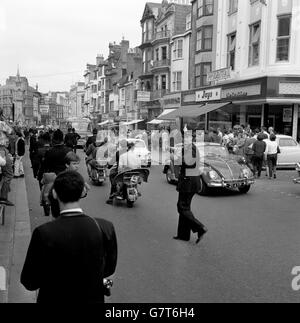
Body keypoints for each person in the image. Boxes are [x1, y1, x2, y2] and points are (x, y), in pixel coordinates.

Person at [21, 171, 118, 303]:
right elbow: (108, 270)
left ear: (55, 193)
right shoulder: (105, 227)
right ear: (82, 193)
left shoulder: (43, 232)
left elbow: (29, 281)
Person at [173, 132, 207, 244]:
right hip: (189, 181)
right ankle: (183, 235)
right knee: (184, 207)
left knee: (182, 207)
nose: (183, 140)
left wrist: (176, 158)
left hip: (188, 182)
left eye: (184, 138)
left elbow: (189, 162)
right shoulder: (190, 147)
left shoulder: (190, 149)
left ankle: (200, 227)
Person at [106, 139, 128, 205]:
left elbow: (111, 163)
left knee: (112, 176)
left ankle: (111, 196)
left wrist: (109, 166)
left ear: (121, 145)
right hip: (132, 170)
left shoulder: (119, 152)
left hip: (121, 171)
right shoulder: (131, 152)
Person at [0, 133, 14, 206]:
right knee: (7, 178)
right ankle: (3, 198)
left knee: (7, 178)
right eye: (6, 142)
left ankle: (4, 197)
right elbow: (2, 162)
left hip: (7, 169)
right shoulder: (2, 149)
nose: (8, 143)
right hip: (6, 170)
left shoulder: (3, 148)